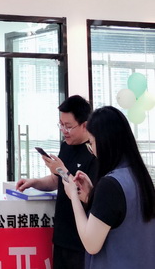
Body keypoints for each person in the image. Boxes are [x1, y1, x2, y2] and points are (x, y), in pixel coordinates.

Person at [63, 106, 155, 268]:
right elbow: (119, 215)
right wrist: (92, 196)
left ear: (105, 143)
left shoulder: (110, 185)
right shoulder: (139, 176)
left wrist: (74, 197)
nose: (92, 151)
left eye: (91, 143)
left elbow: (91, 244)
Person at [15, 95, 96, 269]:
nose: (64, 130)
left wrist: (62, 171)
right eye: (61, 124)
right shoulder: (65, 145)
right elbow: (55, 180)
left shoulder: (93, 152)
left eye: (69, 126)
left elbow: (87, 194)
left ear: (85, 125)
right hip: (61, 235)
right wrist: (34, 182)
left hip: (82, 239)